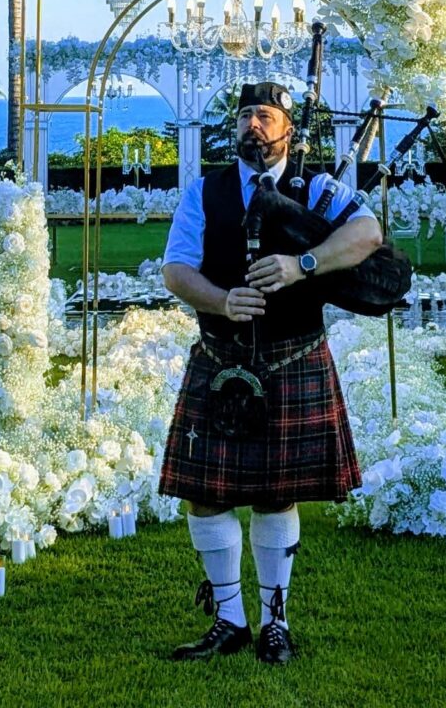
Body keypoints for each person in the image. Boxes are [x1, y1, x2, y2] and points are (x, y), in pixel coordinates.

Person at [159, 81, 382, 665]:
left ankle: (274, 622)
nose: (252, 124)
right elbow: (177, 270)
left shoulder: (316, 190)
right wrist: (220, 299)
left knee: (276, 497)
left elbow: (368, 235)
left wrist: (303, 262)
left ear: (287, 128)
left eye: (264, 114)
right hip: (220, 359)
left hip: (292, 357)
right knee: (205, 496)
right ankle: (230, 621)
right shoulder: (204, 191)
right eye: (244, 116)